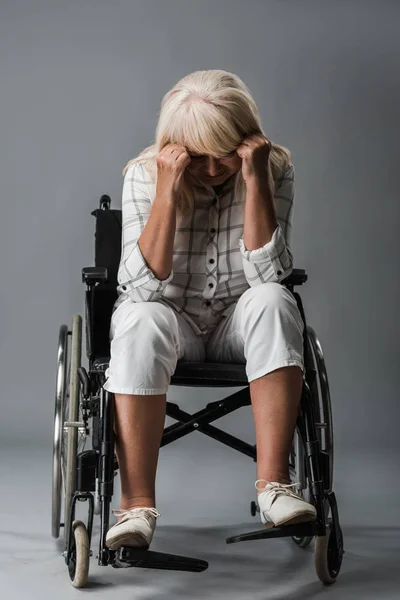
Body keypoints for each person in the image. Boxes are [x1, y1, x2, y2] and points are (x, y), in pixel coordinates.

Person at [103, 69, 317, 551]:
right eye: (199, 156)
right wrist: (168, 187)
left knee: (275, 301)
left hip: (234, 324)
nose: (215, 168)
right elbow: (138, 284)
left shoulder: (273, 168)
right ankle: (135, 506)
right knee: (138, 316)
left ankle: (275, 489)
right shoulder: (144, 172)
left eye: (224, 152)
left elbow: (269, 273)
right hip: (169, 323)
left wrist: (255, 177)